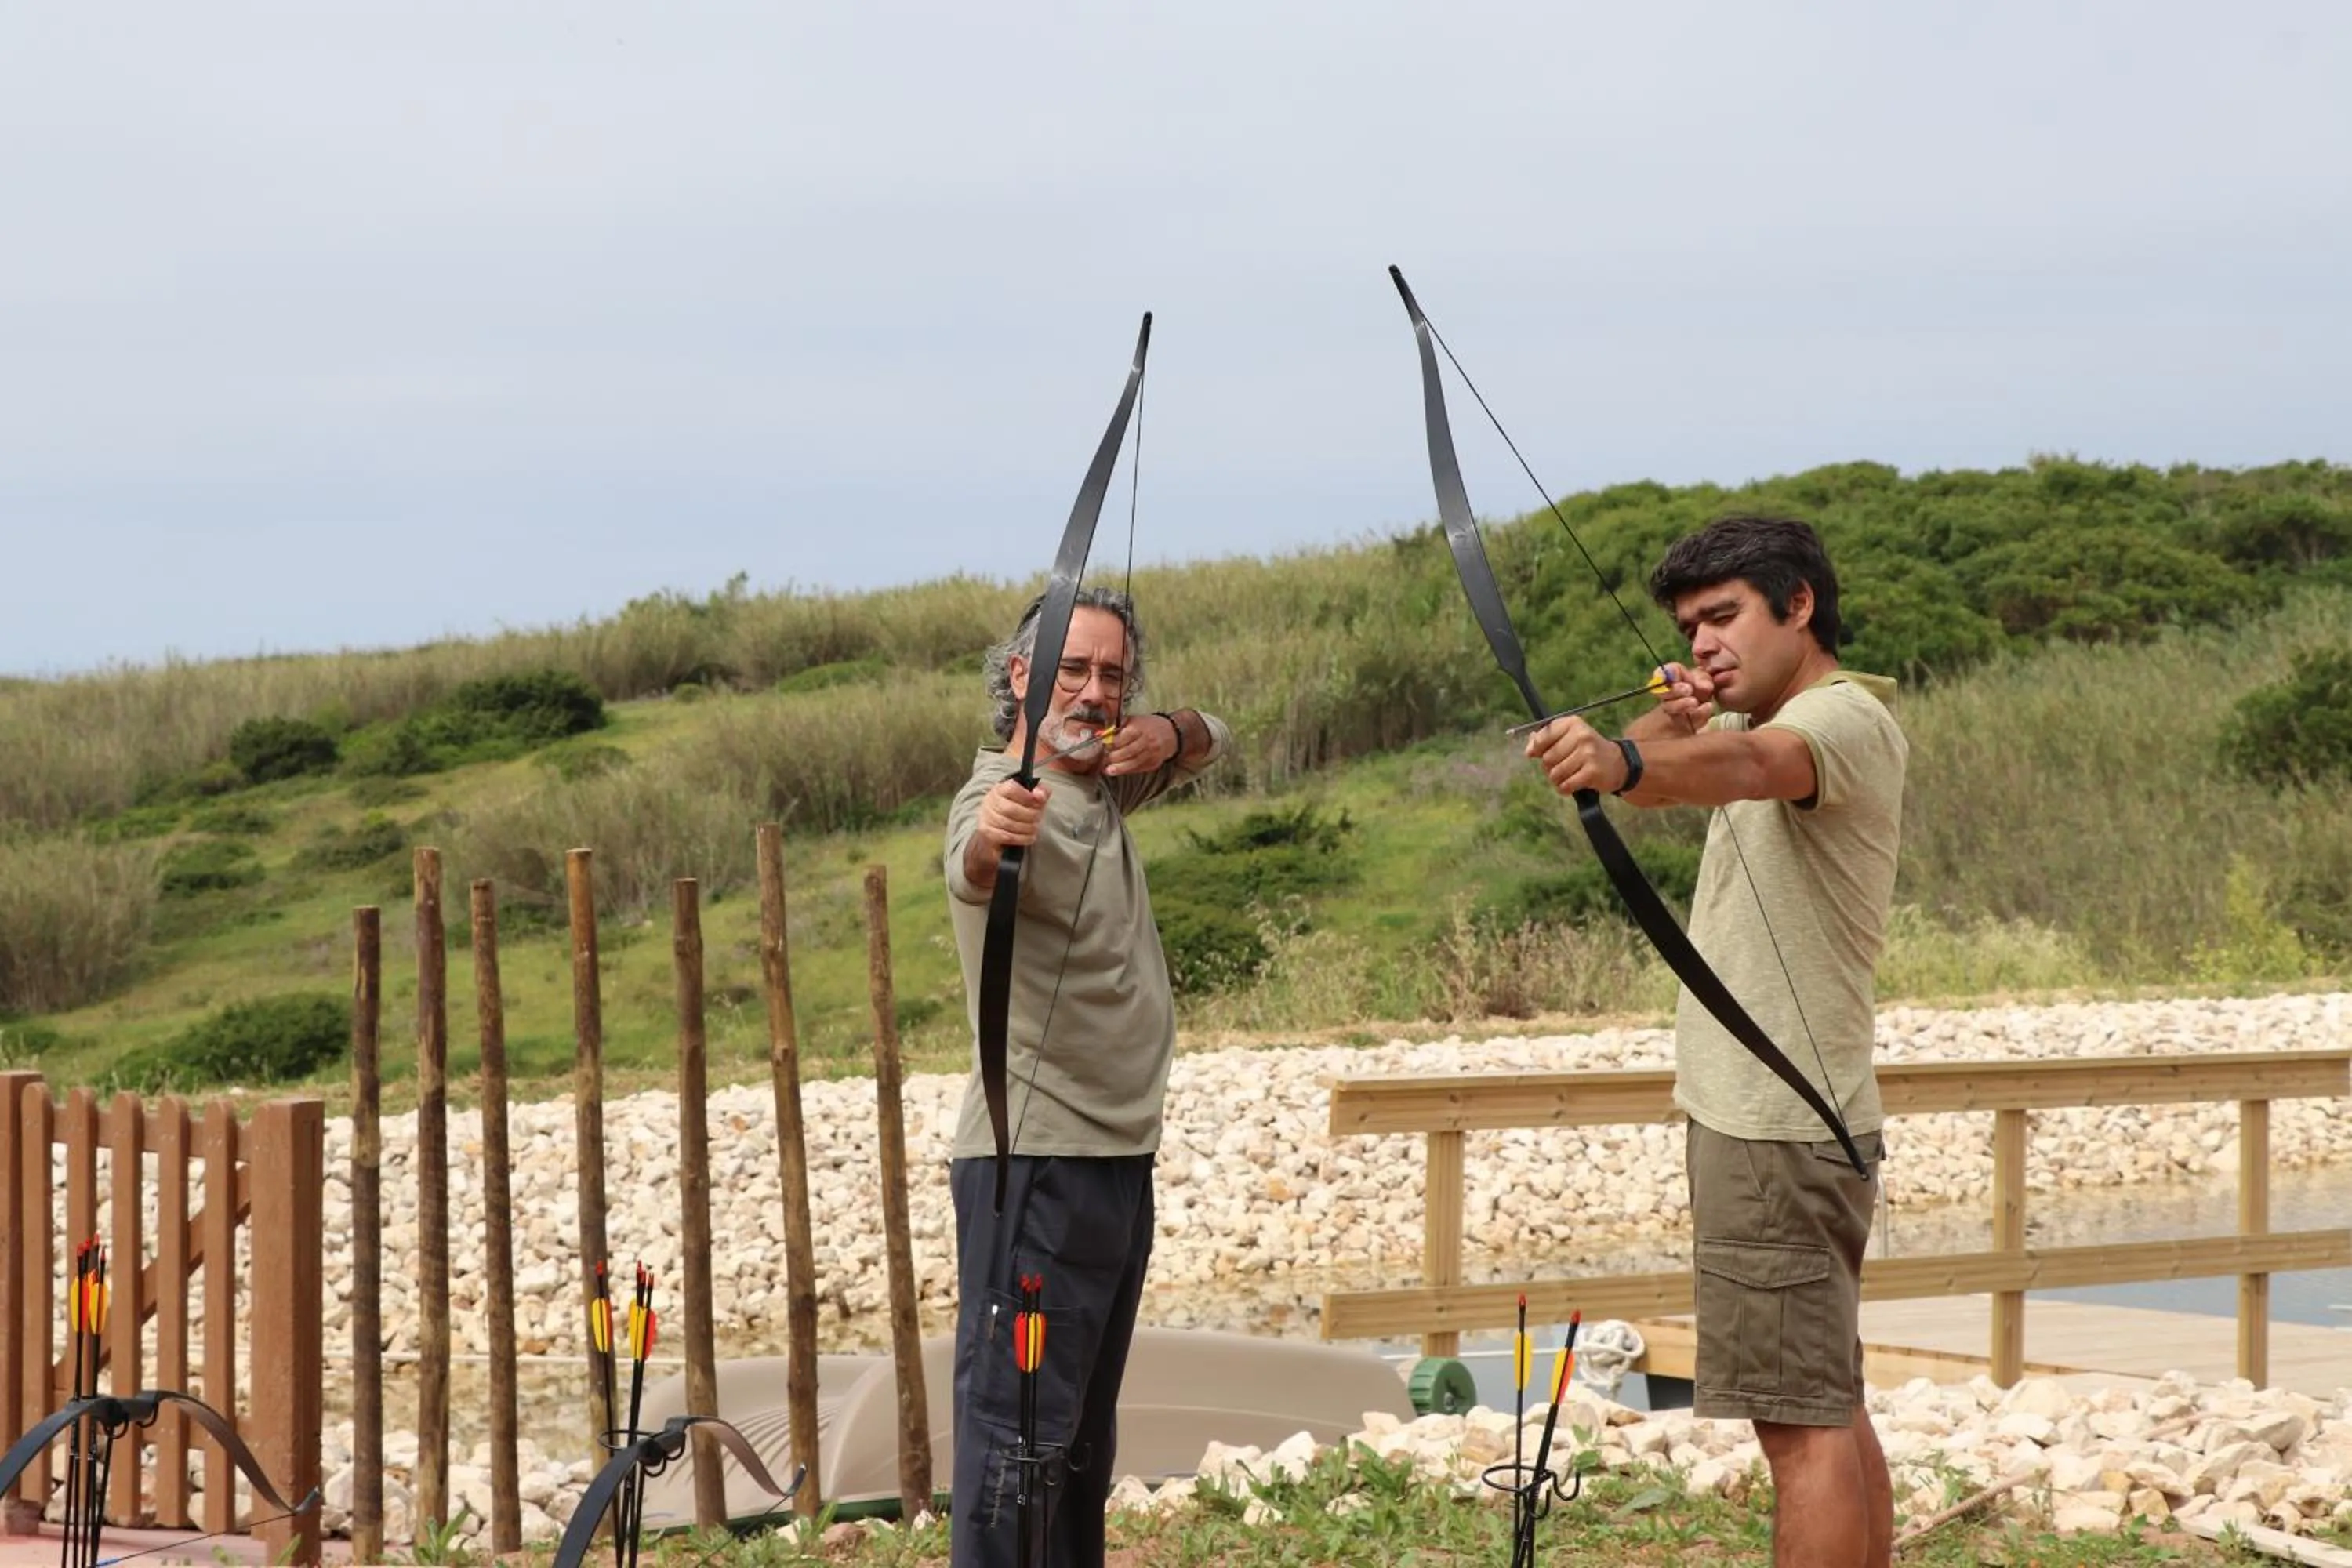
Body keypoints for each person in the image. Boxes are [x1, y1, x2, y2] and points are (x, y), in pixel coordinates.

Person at [1521, 515, 1907, 1568]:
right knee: (1826, 1401)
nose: (1703, 646)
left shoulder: (1838, 721)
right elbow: (1713, 763)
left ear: (1800, 605)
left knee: (1798, 1426)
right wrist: (1659, 740)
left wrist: (1619, 755)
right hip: (1791, 1112)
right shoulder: (1794, 720)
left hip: (1773, 1120)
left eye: (1724, 618)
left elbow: (1750, 764)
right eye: (1690, 631)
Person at [941, 585, 1231, 1568]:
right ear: (1022, 675)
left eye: (1113, 674)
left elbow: (1212, 736)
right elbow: (973, 861)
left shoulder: (1104, 779)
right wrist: (996, 832)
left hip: (1114, 1155)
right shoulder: (1001, 790)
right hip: (1036, 1161)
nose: (1094, 691)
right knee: (1015, 1435)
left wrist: (1166, 728)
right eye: (1072, 669)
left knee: (1077, 1442)